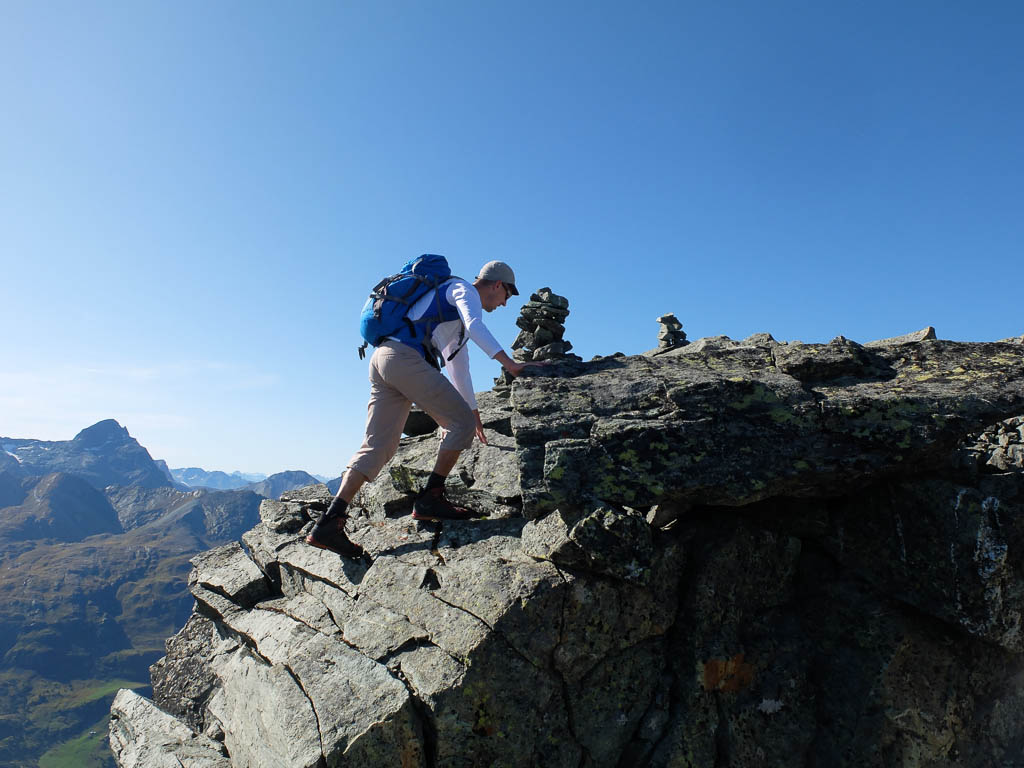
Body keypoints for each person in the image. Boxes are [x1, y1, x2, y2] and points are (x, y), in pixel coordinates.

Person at [307, 259, 536, 557]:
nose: (504, 304)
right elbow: (476, 325)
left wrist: (474, 414)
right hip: (405, 360)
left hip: (383, 360)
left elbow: (459, 369)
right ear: (497, 285)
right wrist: (512, 365)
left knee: (378, 446)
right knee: (458, 425)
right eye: (507, 295)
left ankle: (329, 522)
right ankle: (431, 498)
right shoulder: (462, 289)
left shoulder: (447, 309)